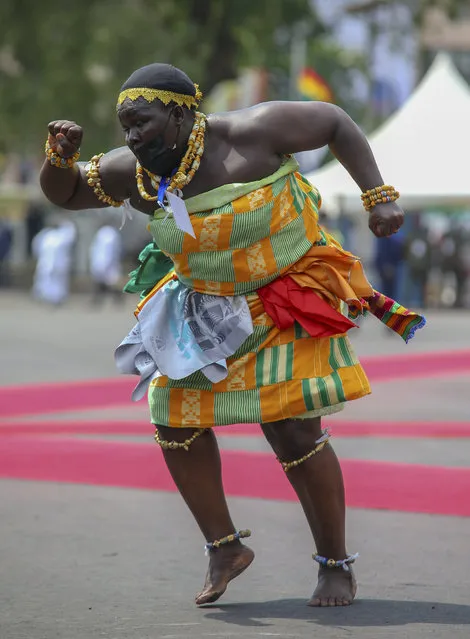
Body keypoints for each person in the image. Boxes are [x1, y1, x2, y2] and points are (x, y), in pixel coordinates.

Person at [40, 63, 424, 608]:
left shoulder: (256, 131)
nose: (131, 137)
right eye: (124, 126)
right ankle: (224, 548)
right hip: (203, 313)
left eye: (141, 122)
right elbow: (70, 191)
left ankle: (335, 564)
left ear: (179, 111)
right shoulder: (140, 172)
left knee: (291, 432)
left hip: (283, 298)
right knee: (172, 417)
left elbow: (336, 122)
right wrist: (58, 155)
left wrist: (377, 195)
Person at [32, 219, 76, 306]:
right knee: (44, 279)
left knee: (59, 282)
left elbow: (71, 234)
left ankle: (57, 298)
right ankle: (46, 296)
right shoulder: (46, 235)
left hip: (59, 263)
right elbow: (36, 246)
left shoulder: (61, 236)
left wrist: (66, 223)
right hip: (46, 262)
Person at [89, 221, 123, 306]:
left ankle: (117, 298)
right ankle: (97, 300)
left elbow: (108, 250)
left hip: (106, 262)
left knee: (109, 283)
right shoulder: (104, 232)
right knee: (103, 283)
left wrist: (105, 263)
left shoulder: (108, 233)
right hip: (103, 261)